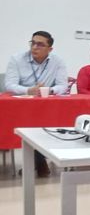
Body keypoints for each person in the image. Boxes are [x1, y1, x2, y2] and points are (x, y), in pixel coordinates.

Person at [5, 31, 68, 176]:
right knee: (31, 123)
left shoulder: (58, 61)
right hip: (22, 105)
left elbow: (63, 85)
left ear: (50, 49)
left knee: (55, 120)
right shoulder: (16, 59)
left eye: (40, 44)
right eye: (32, 43)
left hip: (46, 105)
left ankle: (37, 160)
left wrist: (49, 90)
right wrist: (29, 90)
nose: (34, 47)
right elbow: (9, 85)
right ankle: (39, 160)